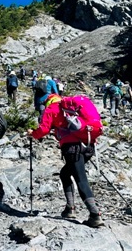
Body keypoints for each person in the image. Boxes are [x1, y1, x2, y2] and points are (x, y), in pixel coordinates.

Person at [28, 93, 104, 227]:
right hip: (88, 146)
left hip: (72, 149)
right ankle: (70, 208)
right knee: (65, 174)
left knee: (81, 179)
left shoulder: (51, 109)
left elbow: (43, 129)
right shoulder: (71, 108)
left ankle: (94, 215)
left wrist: (32, 134)